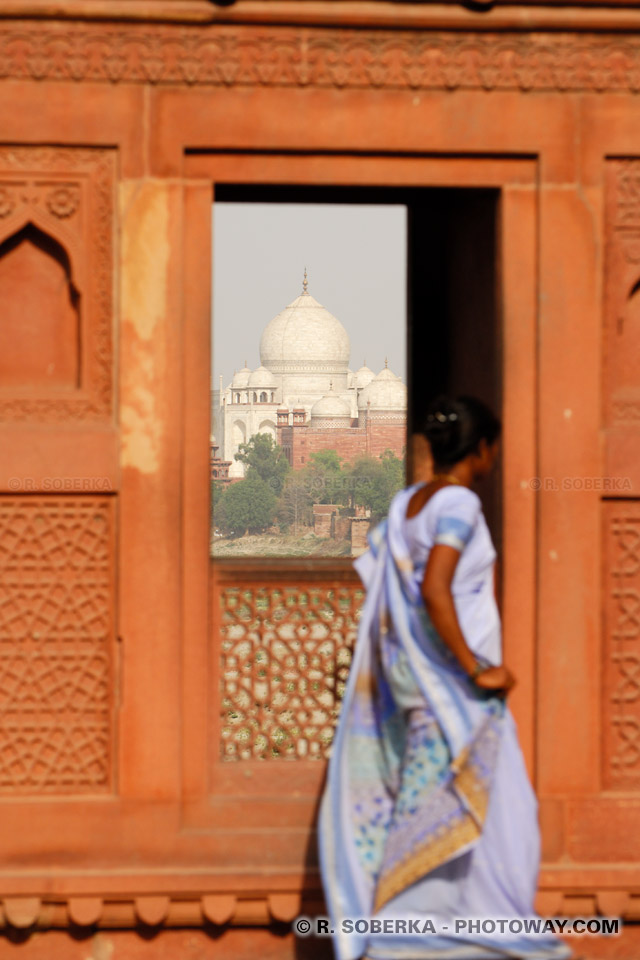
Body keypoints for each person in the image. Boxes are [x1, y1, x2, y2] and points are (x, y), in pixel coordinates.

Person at [318, 395, 578, 960]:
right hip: (450, 688)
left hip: (419, 682)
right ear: (481, 449)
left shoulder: (409, 502)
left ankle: (455, 930)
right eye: (494, 449)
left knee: (472, 801)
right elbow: (436, 587)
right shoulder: (458, 501)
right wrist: (475, 667)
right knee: (463, 804)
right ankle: (414, 937)